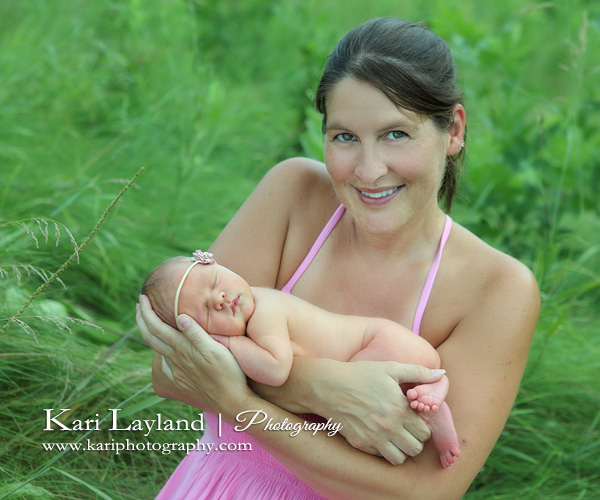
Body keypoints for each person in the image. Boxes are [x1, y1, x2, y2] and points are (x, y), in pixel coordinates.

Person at [137, 17, 540, 499]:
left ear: (452, 130)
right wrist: (320, 386)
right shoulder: (292, 195)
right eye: (345, 137)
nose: (369, 171)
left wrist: (231, 395)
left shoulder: (497, 289)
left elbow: (420, 492)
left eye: (396, 134)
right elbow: (169, 369)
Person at [142, 251, 461, 468]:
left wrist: (227, 342)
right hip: (395, 343)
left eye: (215, 283)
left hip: (380, 344)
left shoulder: (265, 312)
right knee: (387, 395)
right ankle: (435, 397)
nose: (222, 298)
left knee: (362, 412)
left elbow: (275, 369)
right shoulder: (258, 303)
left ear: (221, 266)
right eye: (208, 311)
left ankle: (432, 406)